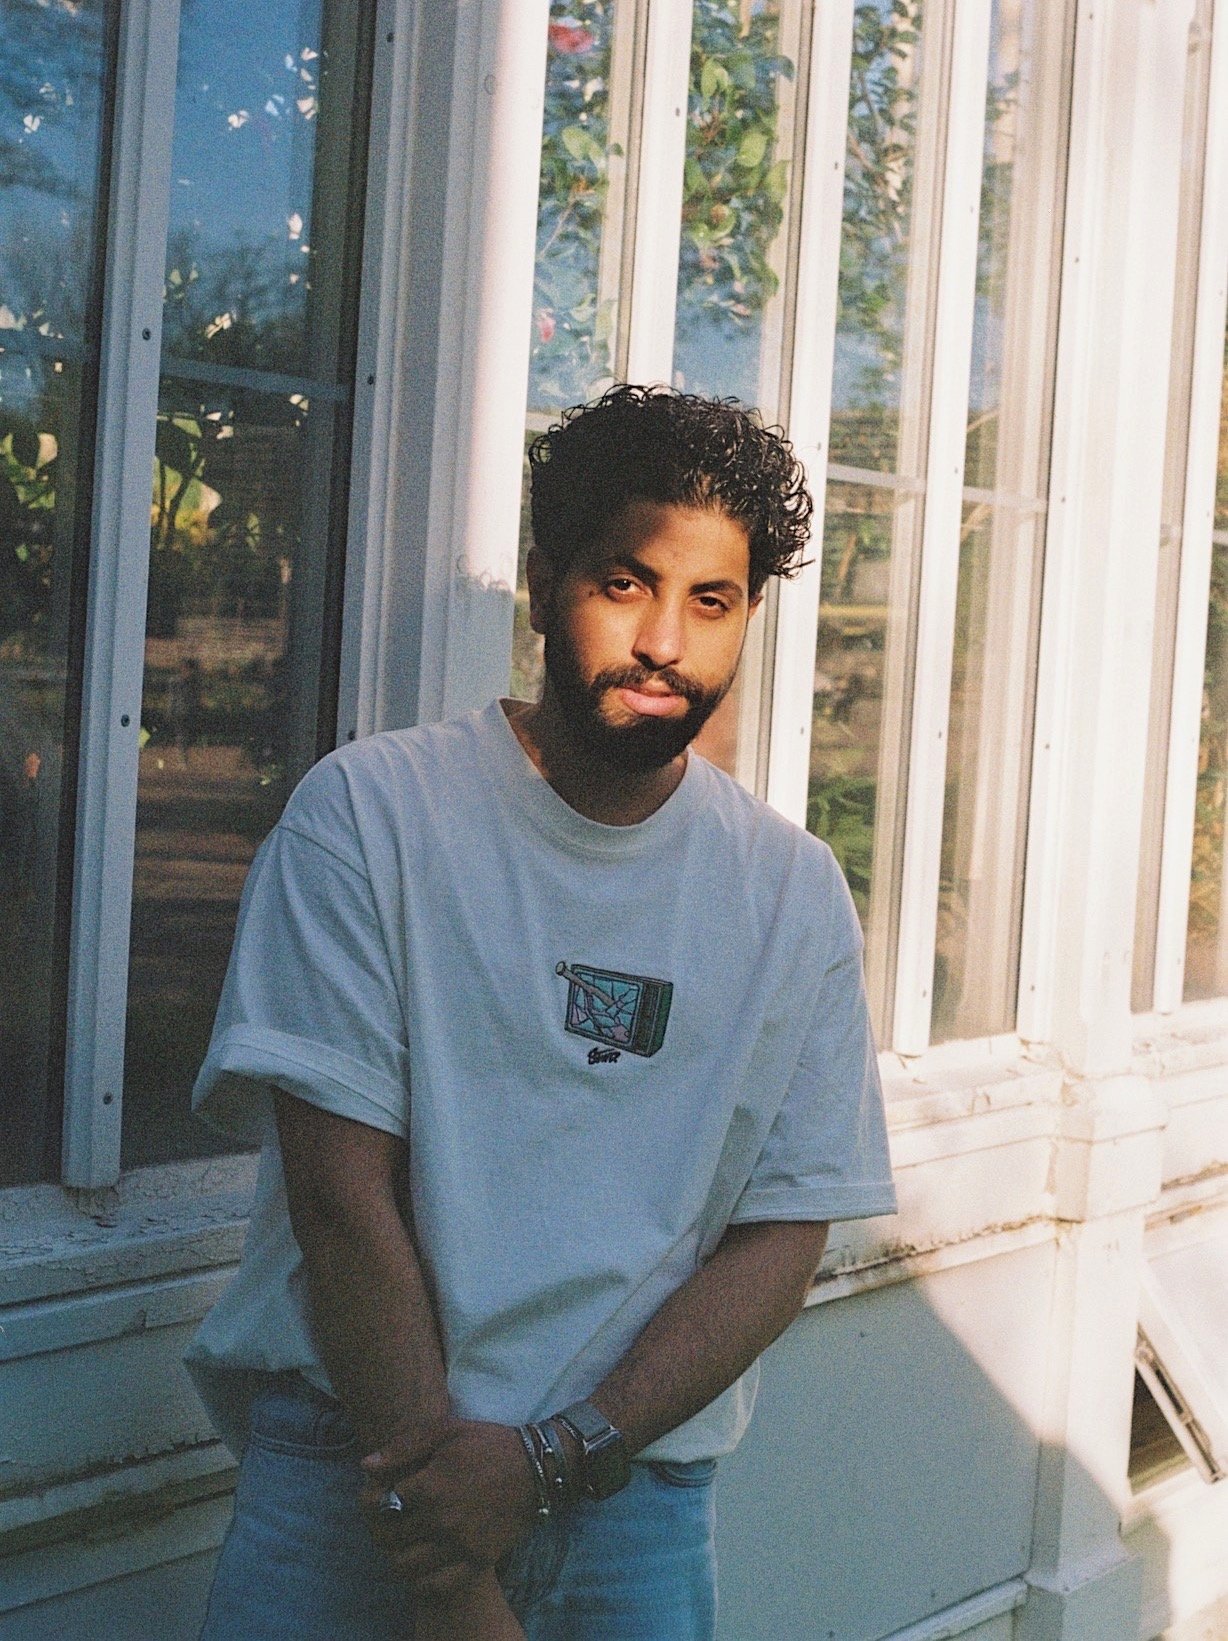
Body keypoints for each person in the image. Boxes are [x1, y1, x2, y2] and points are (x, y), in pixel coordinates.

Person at [187, 385, 897, 1641]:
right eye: (625, 583)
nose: (664, 641)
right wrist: (452, 1570)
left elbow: (782, 1237)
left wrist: (558, 1458)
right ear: (541, 582)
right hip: (358, 1475)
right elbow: (341, 1200)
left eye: (711, 601)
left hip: (629, 1496)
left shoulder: (789, 892)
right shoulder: (372, 816)